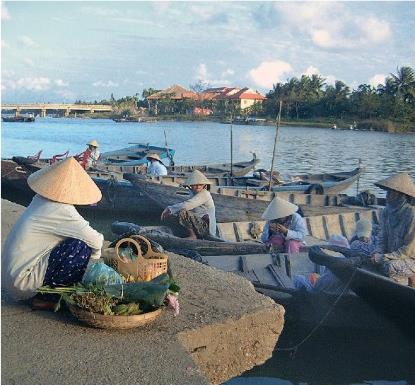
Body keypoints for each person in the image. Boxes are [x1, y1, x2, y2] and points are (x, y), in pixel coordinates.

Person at [2, 157, 104, 309]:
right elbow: (96, 240)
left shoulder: (39, 199)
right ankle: (47, 297)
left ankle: (43, 293)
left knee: (75, 239)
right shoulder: (62, 210)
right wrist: (93, 257)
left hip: (10, 278)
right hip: (22, 282)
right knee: (80, 246)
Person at [370, 173, 415, 282]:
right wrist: (377, 252)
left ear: (401, 195)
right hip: (388, 254)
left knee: (389, 266)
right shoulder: (386, 211)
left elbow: (407, 251)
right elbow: (382, 237)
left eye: (391, 192)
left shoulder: (412, 215)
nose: (387, 195)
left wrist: (382, 258)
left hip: (408, 259)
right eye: (387, 192)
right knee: (356, 245)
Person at [161, 170, 216, 239]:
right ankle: (185, 233)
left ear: (204, 185)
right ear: (191, 185)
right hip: (198, 224)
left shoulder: (205, 194)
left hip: (207, 229)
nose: (198, 186)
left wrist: (169, 208)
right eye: (195, 184)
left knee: (183, 212)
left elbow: (187, 205)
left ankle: (193, 236)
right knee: (174, 216)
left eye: (200, 184)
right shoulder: (193, 193)